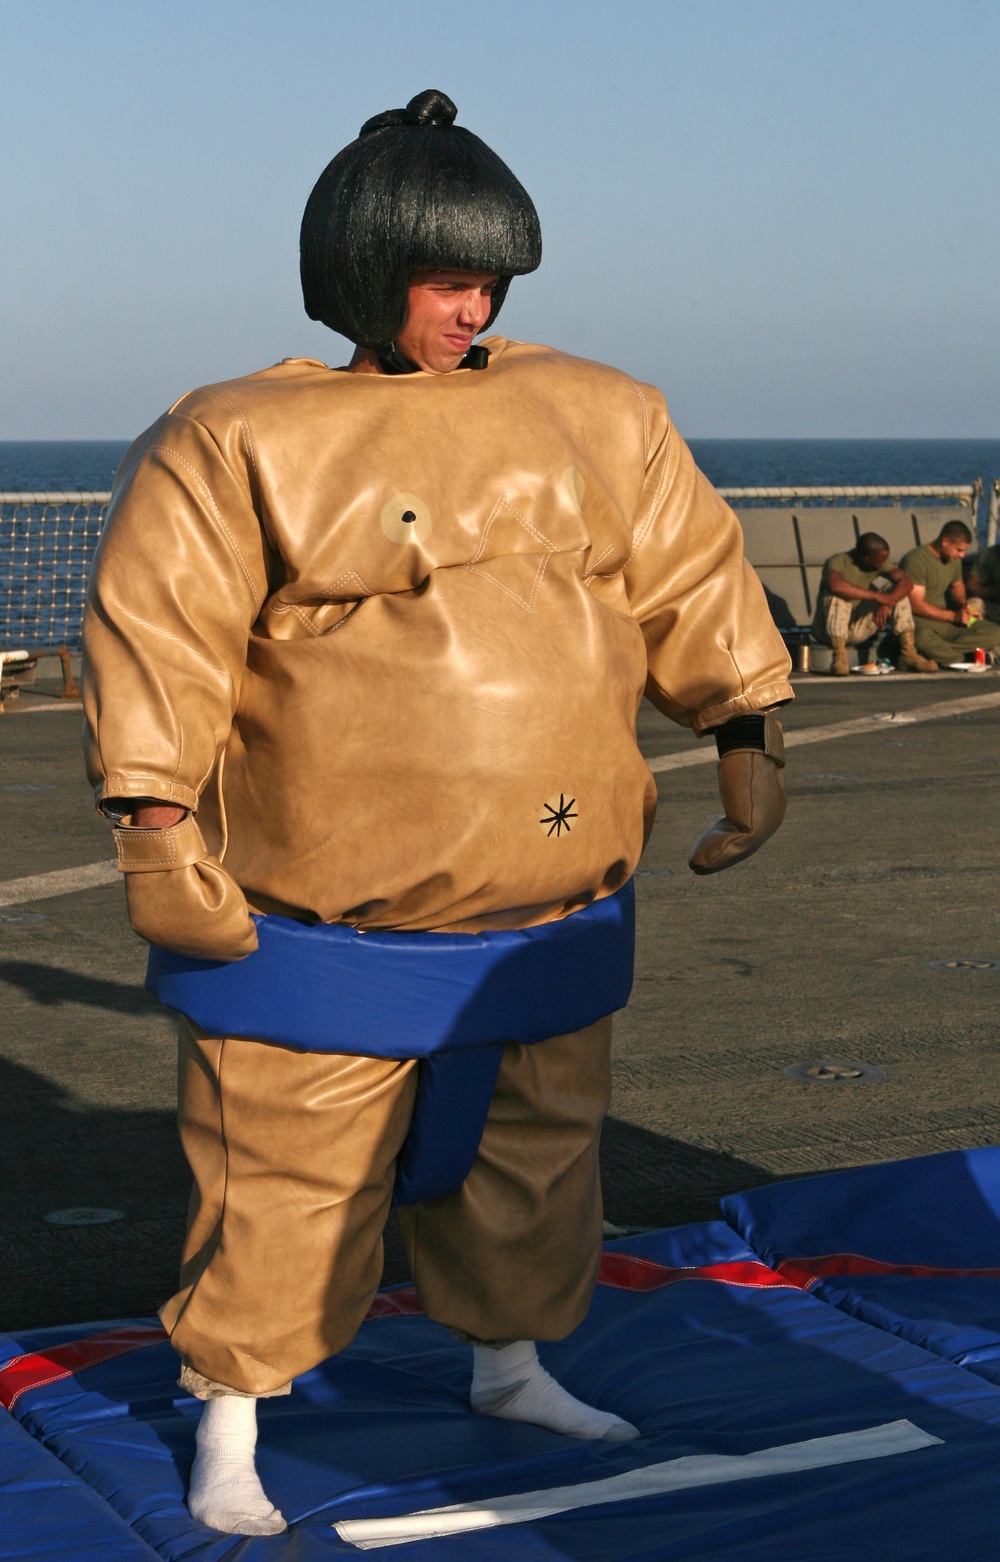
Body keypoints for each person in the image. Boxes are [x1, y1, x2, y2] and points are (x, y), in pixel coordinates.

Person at [82, 89, 792, 1536]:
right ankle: (233, 1417)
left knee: (536, 1161)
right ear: (362, 265)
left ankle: (510, 1364)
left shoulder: (600, 407)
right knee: (282, 1172)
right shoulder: (236, 436)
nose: (473, 305)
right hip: (321, 907)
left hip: (554, 897)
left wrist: (744, 722)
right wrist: (155, 824)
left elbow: (690, 574)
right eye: (446, 276)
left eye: (492, 280)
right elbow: (161, 634)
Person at [811, 531, 936, 675]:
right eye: (879, 561)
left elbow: (906, 582)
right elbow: (835, 584)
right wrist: (876, 597)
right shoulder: (839, 561)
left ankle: (908, 655)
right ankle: (839, 658)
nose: (883, 564)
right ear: (865, 558)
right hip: (827, 629)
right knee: (838, 597)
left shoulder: (878, 562)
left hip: (856, 628)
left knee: (899, 594)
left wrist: (888, 602)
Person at [901, 521, 1000, 667]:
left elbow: (957, 587)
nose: (962, 555)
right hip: (921, 621)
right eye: (959, 550)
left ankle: (946, 655)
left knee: (995, 632)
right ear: (945, 541)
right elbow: (915, 605)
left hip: (946, 621)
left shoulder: (953, 560)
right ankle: (959, 658)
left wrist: (964, 607)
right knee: (922, 639)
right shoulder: (916, 560)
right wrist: (953, 616)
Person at [965, 541, 1000, 625]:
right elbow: (972, 586)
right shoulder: (990, 554)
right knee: (973, 605)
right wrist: (996, 590)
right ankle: (967, 631)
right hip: (993, 605)